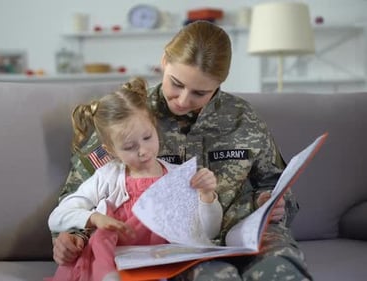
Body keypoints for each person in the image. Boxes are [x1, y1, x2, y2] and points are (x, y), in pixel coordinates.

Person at [52, 20, 313, 281]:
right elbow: (80, 194)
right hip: (171, 247)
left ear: (220, 82)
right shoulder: (132, 117)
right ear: (164, 61)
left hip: (244, 234)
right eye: (176, 84)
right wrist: (73, 236)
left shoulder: (244, 119)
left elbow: (277, 185)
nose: (184, 100)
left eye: (200, 92)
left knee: (282, 269)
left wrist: (272, 202)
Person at [47, 77, 223, 281]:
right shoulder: (107, 177)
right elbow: (57, 217)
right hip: (113, 264)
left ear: (154, 127)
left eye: (147, 137)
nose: (143, 151)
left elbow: (209, 232)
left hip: (162, 265)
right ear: (110, 150)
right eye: (129, 147)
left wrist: (207, 196)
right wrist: (94, 218)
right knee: (102, 238)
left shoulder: (178, 177)